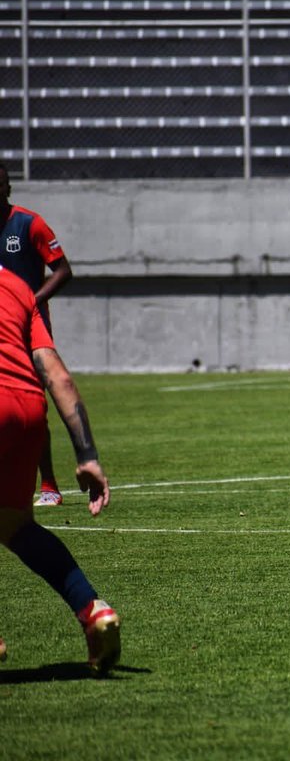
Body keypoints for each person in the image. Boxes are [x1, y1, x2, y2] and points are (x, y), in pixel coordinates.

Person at [0, 264, 120, 673]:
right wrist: (87, 455)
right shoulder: (17, 287)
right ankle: (93, 610)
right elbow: (56, 375)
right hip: (28, 407)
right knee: (15, 525)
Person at [0, 162, 74, 507]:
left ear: (7, 187)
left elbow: (63, 270)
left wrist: (32, 300)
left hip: (28, 329)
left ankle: (48, 485)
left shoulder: (29, 223)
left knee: (32, 404)